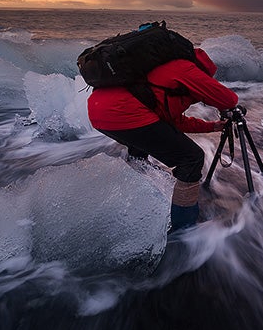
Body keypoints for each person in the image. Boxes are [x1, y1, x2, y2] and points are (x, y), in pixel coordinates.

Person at [87, 47, 238, 232]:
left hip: (99, 115)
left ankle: (135, 198)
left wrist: (212, 126)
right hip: (126, 114)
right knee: (191, 158)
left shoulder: (160, 74)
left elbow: (173, 121)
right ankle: (184, 228)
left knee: (140, 147)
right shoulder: (186, 69)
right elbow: (229, 99)